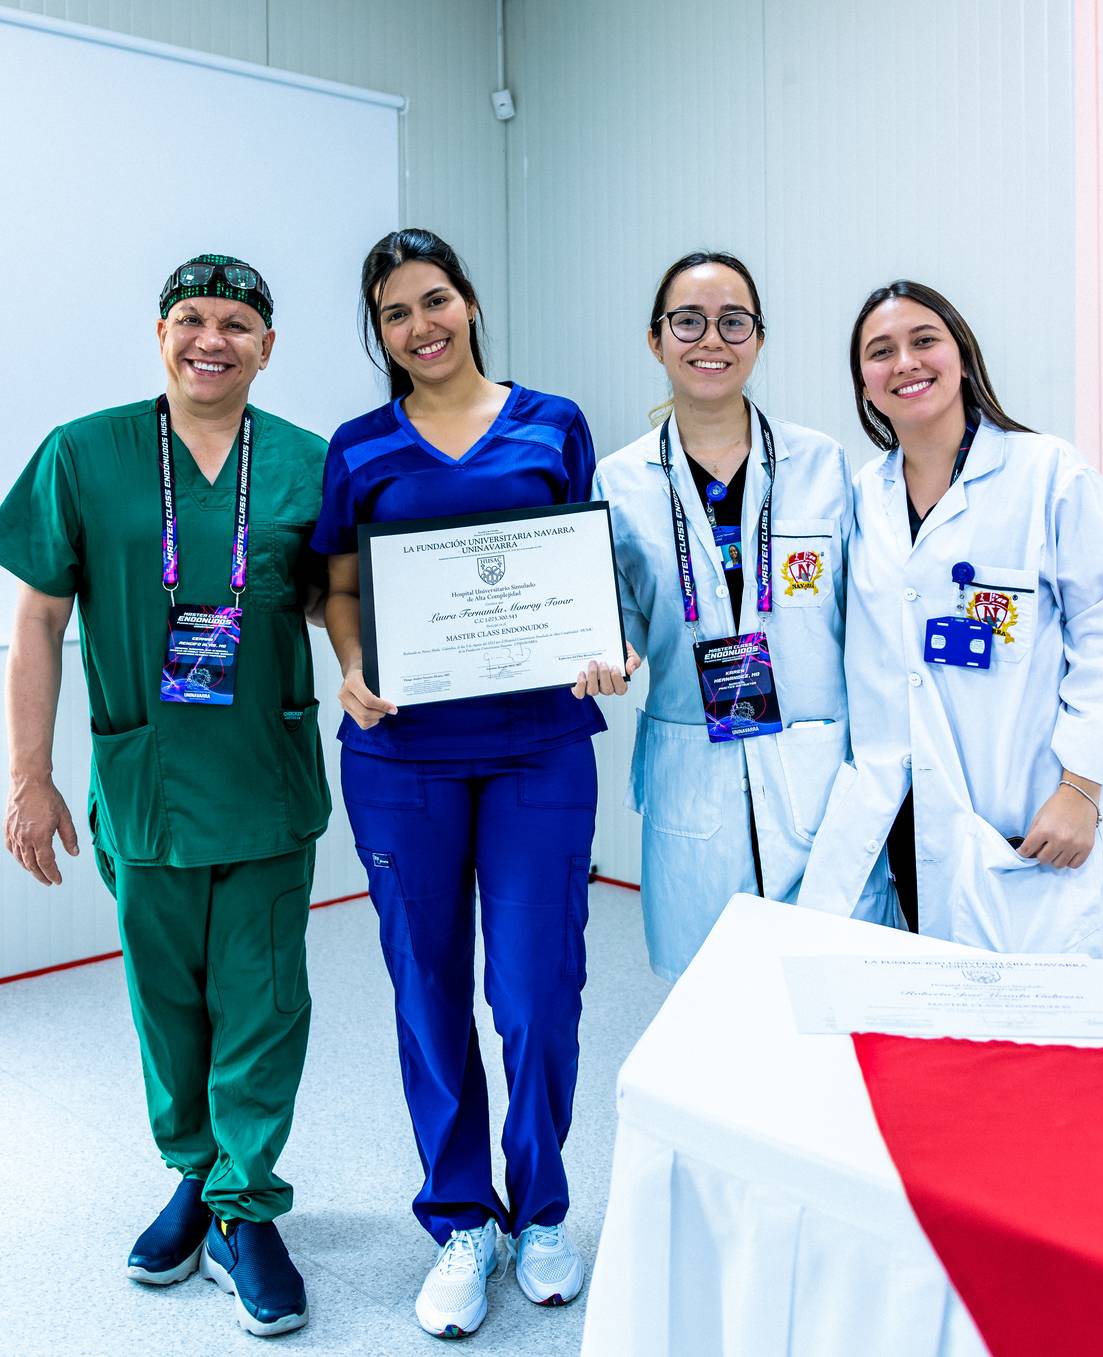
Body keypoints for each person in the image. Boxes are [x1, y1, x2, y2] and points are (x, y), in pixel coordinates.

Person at [0, 254, 331, 1338]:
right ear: (160, 335)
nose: (211, 338)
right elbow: (38, 620)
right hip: (145, 781)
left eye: (236, 322)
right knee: (167, 999)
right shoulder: (83, 453)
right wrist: (29, 775)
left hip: (265, 780)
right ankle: (194, 1172)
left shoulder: (307, 462)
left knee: (264, 999)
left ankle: (245, 1207)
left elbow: (341, 600)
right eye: (191, 317)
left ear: (266, 347)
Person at [311, 228, 626, 1339]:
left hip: (539, 745)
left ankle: (539, 1211)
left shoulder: (552, 423)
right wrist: (352, 663)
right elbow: (339, 586)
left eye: (434, 300)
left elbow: (583, 567)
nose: (420, 326)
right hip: (402, 755)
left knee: (537, 992)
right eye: (395, 313)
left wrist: (604, 646)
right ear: (380, 332)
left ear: (471, 302)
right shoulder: (359, 447)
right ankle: (461, 1219)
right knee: (429, 989)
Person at [798, 279, 1103, 955]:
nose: (905, 362)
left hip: (1024, 815)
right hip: (897, 819)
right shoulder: (862, 498)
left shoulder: (1046, 473)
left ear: (961, 356)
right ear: (864, 385)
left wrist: (1082, 786)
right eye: (881, 351)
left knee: (1034, 1013)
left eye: (924, 341)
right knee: (910, 1005)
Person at [590, 251, 892, 982]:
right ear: (656, 339)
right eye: (688, 321)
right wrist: (609, 651)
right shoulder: (620, 480)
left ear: (758, 338)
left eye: (733, 321)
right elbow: (619, 614)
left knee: (832, 992)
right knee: (712, 998)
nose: (711, 340)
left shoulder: (821, 464)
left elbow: (867, 614)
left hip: (814, 767)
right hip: (693, 765)